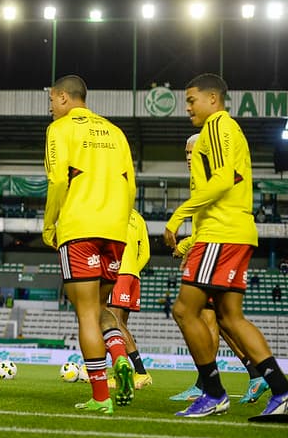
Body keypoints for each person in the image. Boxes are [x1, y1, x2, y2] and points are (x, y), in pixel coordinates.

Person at [164, 73, 288, 418]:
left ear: (213, 100)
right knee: (230, 318)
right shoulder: (226, 129)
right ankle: (281, 390)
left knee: (185, 311)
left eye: (192, 100)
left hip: (222, 233)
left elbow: (221, 180)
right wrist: (194, 236)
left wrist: (178, 217)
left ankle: (214, 392)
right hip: (230, 231)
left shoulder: (217, 126)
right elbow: (230, 182)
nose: (187, 106)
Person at [41, 75, 137, 415]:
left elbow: (57, 179)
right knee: (99, 309)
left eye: (52, 99)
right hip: (115, 230)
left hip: (79, 227)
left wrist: (49, 222)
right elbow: (131, 188)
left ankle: (100, 397)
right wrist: (119, 224)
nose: (50, 106)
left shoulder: (60, 129)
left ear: (64, 97)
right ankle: (121, 358)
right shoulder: (116, 132)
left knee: (84, 314)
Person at [169, 131, 270, 405]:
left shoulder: (214, 177)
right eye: (186, 154)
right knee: (225, 321)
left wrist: (184, 244)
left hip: (220, 247)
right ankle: (260, 375)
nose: (190, 158)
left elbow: (215, 223)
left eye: (194, 152)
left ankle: (208, 386)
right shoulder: (202, 178)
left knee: (204, 316)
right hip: (222, 244)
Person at [105, 209, 153, 391]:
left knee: (112, 323)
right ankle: (121, 373)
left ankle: (140, 371)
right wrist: (132, 269)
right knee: (121, 324)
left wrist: (120, 271)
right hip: (133, 276)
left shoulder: (110, 209)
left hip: (118, 272)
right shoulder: (139, 218)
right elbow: (146, 254)